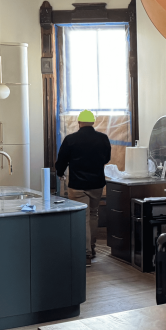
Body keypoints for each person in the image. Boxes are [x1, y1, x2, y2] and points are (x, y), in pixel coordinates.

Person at [55, 110, 111, 266]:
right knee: (93, 214)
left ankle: (85, 254)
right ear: (93, 122)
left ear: (79, 122)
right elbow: (106, 159)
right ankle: (92, 248)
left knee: (83, 217)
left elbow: (62, 160)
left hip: (78, 185)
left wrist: (60, 173)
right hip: (97, 183)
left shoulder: (71, 139)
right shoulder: (103, 138)